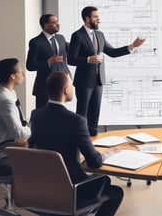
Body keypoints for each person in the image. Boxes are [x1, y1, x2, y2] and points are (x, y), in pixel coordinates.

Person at [28, 71, 123, 216]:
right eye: (71, 85)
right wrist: (109, 154)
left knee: (104, 182)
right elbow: (95, 162)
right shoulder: (76, 121)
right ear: (66, 90)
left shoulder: (36, 115)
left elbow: (32, 145)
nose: (72, 88)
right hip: (71, 189)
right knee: (115, 191)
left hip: (43, 189)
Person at [68, 6, 145, 136]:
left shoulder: (100, 34)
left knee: (95, 112)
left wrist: (132, 46)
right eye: (95, 17)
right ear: (87, 19)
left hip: (99, 80)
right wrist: (88, 59)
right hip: (84, 81)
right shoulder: (77, 36)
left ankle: (93, 138)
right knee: (82, 112)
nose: (99, 19)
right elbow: (71, 60)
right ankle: (79, 139)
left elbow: (112, 52)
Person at [26, 14, 71, 108]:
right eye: (54, 23)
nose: (58, 24)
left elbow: (73, 48)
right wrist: (48, 62)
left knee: (59, 116)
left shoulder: (60, 38)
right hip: (44, 86)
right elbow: (30, 65)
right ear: (46, 25)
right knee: (43, 116)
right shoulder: (36, 42)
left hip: (62, 85)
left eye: (57, 22)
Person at [0, 58, 30, 176]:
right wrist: (35, 129)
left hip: (11, 143)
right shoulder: (5, 100)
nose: (23, 75)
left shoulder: (9, 93)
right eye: (21, 72)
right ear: (12, 76)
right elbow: (18, 133)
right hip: (3, 150)